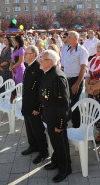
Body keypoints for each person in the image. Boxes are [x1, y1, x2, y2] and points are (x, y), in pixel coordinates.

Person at [39, 50, 71, 183]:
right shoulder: (47, 73)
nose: (40, 60)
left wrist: (60, 123)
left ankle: (65, 169)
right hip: (49, 115)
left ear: (50, 62)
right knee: (55, 142)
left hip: (57, 118)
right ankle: (56, 161)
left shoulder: (57, 77)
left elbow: (63, 103)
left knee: (60, 144)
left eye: (42, 58)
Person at [20, 45, 48, 164]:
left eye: (27, 53)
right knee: (29, 127)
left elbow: (41, 90)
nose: (24, 55)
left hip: (34, 105)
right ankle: (33, 146)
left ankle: (43, 151)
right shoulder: (28, 66)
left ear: (34, 55)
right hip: (27, 102)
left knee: (37, 129)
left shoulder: (38, 67)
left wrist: (37, 107)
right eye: (25, 53)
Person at [62, 31, 89, 128]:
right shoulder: (67, 48)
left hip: (76, 80)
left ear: (75, 39)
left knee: (75, 103)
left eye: (69, 37)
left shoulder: (82, 50)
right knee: (67, 101)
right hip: (66, 79)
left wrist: (77, 84)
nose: (67, 39)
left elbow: (83, 69)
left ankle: (77, 124)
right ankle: (70, 119)